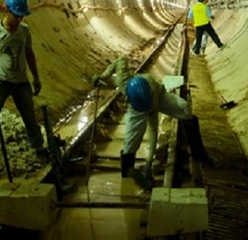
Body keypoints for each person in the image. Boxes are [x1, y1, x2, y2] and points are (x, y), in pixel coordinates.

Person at [93, 56, 218, 189]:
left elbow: (153, 132)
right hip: (137, 108)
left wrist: (148, 163)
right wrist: (102, 76)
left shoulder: (152, 95)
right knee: (130, 142)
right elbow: (120, 60)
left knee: (184, 108)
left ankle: (200, 154)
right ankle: (127, 175)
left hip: (159, 96)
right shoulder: (123, 79)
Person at [0, 0, 48, 161]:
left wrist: (36, 78)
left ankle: (39, 148)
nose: (19, 20)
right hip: (0, 82)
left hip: (21, 82)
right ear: (6, 10)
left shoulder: (24, 30)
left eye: (22, 16)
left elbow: (29, 53)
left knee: (30, 118)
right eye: (16, 15)